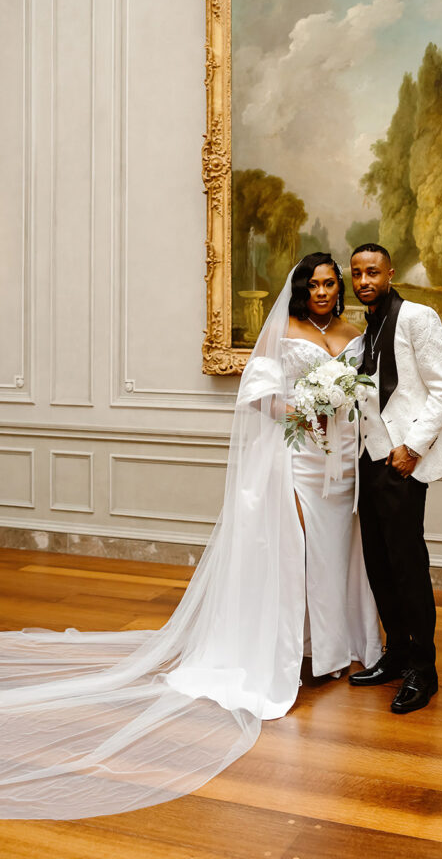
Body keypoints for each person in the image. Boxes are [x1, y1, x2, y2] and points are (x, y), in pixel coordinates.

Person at [0, 254, 380, 820]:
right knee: (297, 554)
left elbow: (368, 393)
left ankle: (337, 649)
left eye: (330, 283)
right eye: (313, 283)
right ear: (300, 287)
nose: (323, 291)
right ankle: (300, 652)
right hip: (297, 460)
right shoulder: (283, 330)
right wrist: (309, 403)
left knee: (336, 553)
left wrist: (345, 405)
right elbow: (257, 395)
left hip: (342, 464)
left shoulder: (355, 333)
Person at [348, 244, 442, 714]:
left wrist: (412, 448)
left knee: (407, 565)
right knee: (377, 561)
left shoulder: (419, 317)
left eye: (372, 272)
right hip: (367, 458)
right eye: (356, 274)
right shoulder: (365, 333)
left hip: (403, 460)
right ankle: (395, 652)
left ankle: (424, 668)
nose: (364, 281)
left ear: (390, 273)